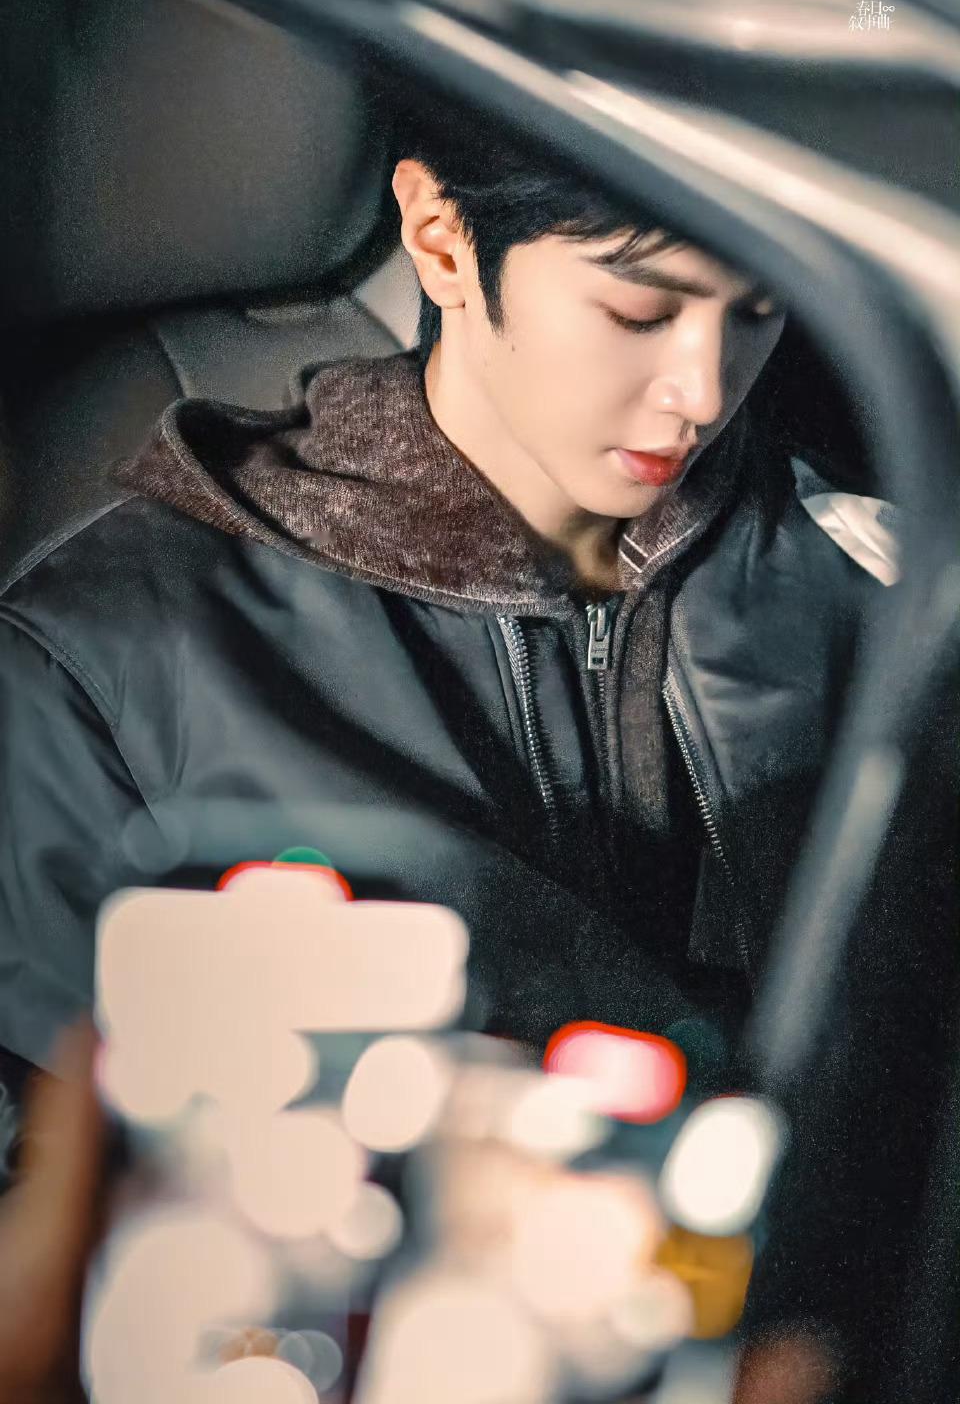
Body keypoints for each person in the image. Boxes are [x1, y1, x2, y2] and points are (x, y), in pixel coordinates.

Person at [0, 94, 952, 1400]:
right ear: (443, 243)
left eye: (759, 309)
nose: (704, 390)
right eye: (638, 309)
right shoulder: (106, 661)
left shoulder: (881, 588)